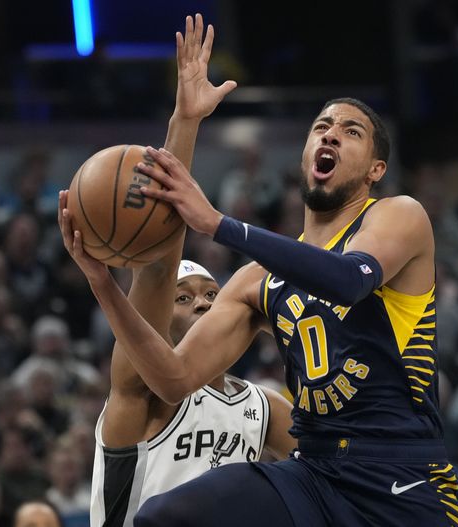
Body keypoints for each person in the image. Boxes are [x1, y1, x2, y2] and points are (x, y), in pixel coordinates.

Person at [60, 94, 458, 524]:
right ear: (306, 153)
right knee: (165, 517)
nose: (331, 133)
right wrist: (102, 284)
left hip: (400, 473)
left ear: (375, 170)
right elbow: (171, 379)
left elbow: (347, 281)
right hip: (314, 473)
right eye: (322, 126)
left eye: (351, 131)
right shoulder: (258, 280)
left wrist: (218, 223)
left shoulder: (399, 215)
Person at [63, 14, 296, 527]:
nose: (205, 303)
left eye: (211, 295)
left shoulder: (262, 407)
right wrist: (184, 123)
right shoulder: (139, 392)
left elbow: (333, 468)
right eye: (184, 297)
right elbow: (160, 254)